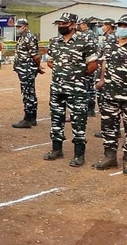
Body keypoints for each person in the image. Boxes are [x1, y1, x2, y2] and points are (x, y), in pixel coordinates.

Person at [92, 14, 127, 176]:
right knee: (108, 128)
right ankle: (110, 157)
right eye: (120, 25)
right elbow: (104, 65)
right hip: (109, 96)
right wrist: (101, 80)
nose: (122, 28)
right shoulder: (109, 45)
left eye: (126, 25)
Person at [43, 12, 97, 167]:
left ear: (73, 24)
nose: (61, 26)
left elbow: (93, 65)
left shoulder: (85, 40)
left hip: (77, 89)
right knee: (56, 120)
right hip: (57, 88)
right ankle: (56, 149)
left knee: (79, 121)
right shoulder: (55, 41)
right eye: (59, 23)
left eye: (64, 23)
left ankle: (79, 154)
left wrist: (76, 76)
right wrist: (63, 71)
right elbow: (51, 62)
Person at [12, 18, 44, 128]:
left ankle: (28, 119)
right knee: (28, 93)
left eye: (19, 26)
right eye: (16, 27)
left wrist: (37, 66)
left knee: (28, 94)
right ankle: (31, 118)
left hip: (27, 69)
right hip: (23, 69)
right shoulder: (22, 37)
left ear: (25, 26)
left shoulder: (29, 37)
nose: (17, 29)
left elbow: (36, 55)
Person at [93, 18, 120, 139]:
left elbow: (106, 60)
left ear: (109, 26)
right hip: (106, 73)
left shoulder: (110, 38)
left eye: (103, 25)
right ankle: (113, 129)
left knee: (106, 103)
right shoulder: (110, 37)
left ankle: (110, 130)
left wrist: (102, 79)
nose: (102, 27)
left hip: (106, 74)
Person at [77, 17, 97, 117]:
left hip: (86, 63)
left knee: (86, 87)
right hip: (90, 61)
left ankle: (89, 109)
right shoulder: (92, 34)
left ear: (85, 24)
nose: (78, 26)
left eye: (80, 24)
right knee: (89, 87)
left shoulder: (87, 34)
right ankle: (90, 109)